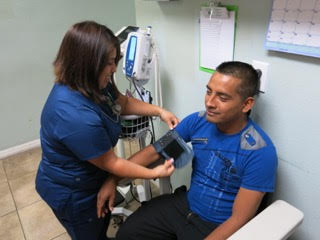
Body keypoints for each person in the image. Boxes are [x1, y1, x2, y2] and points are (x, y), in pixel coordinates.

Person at [35, 21, 179, 240]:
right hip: (72, 192)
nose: (114, 69)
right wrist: (154, 174)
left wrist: (160, 111)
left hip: (92, 175)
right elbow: (114, 163)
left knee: (101, 223)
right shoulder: (74, 115)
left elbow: (122, 103)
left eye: (114, 61)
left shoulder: (95, 82)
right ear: (87, 63)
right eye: (110, 63)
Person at [114, 61, 278, 240]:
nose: (210, 103)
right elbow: (155, 151)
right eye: (209, 92)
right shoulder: (198, 121)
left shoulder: (260, 152)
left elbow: (240, 218)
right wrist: (113, 178)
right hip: (185, 205)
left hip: (217, 225)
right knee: (127, 233)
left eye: (222, 98)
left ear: (246, 104)